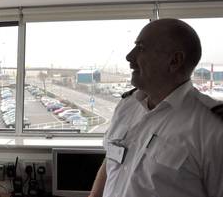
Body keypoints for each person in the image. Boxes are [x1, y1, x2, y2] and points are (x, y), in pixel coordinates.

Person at [89, 18, 223, 197]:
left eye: (141, 48)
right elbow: (111, 163)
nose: (129, 57)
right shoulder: (126, 106)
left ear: (174, 61)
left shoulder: (213, 129)